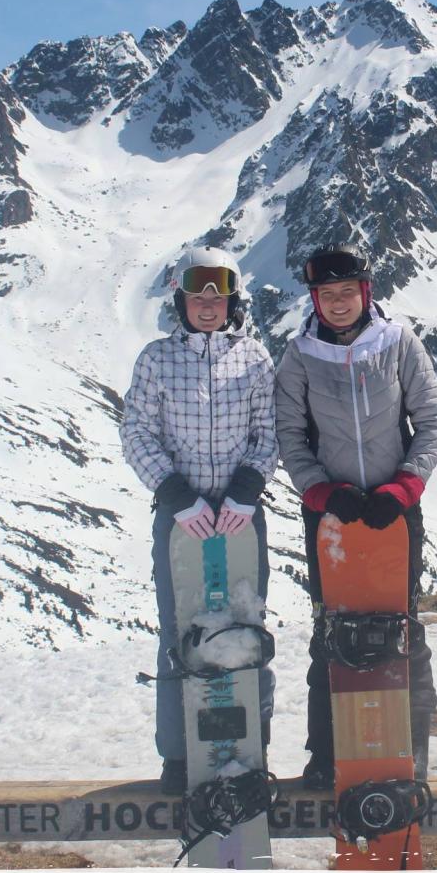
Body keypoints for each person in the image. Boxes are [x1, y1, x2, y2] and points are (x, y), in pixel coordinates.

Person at [273, 243, 437, 789]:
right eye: (327, 294)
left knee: (404, 629)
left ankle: (411, 752)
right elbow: (289, 435)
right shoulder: (300, 356)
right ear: (314, 300)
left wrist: (406, 486)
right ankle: (327, 756)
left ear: (365, 293)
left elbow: (431, 420)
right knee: (331, 630)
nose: (339, 302)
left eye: (348, 291)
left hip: (394, 512)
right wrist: (320, 492)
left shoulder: (397, 344)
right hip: (332, 515)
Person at [121, 247, 277, 796]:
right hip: (180, 517)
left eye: (219, 293)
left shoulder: (254, 358)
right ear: (181, 299)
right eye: (197, 294)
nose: (208, 304)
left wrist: (246, 490)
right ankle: (179, 755)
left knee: (246, 625)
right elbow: (137, 432)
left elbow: (268, 433)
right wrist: (174, 494)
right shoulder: (157, 359)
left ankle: (251, 745)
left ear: (233, 300)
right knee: (180, 630)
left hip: (239, 519)